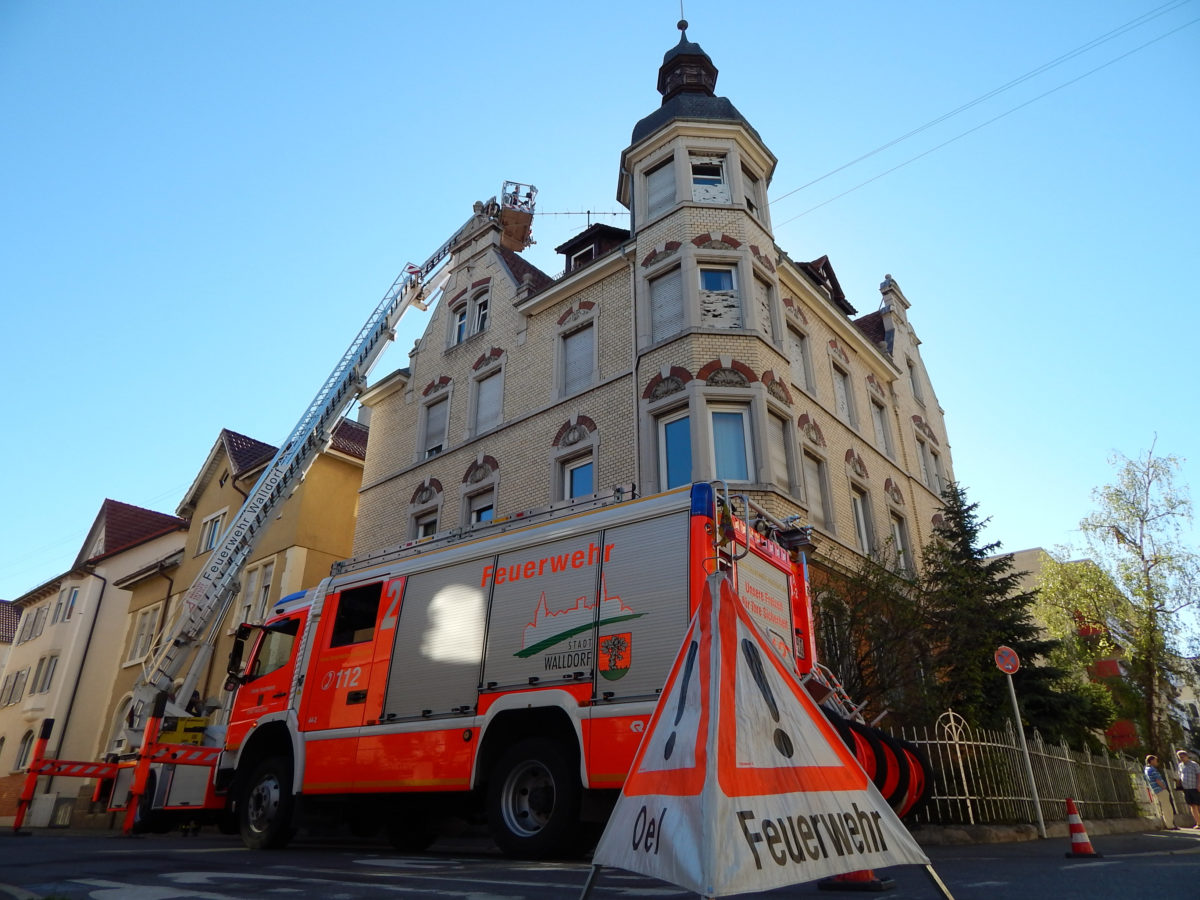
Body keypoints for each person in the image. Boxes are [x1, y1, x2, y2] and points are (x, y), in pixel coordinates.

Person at [1145, 754, 1179, 829]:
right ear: (1152, 761)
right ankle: (1170, 825)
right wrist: (1164, 787)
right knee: (1167, 807)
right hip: (1160, 790)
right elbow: (1157, 780)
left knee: (1164, 807)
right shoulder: (1152, 769)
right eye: (1155, 760)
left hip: (1156, 790)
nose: (1157, 762)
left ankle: (1167, 823)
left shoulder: (1147, 769)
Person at [1176, 749, 1200, 827]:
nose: (1181, 759)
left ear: (1186, 756)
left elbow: (1198, 775)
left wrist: (1198, 784)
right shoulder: (1180, 765)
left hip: (1194, 787)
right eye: (1180, 757)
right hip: (1186, 788)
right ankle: (1198, 823)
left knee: (1197, 804)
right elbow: (1180, 775)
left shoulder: (1194, 764)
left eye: (1182, 757)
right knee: (1192, 805)